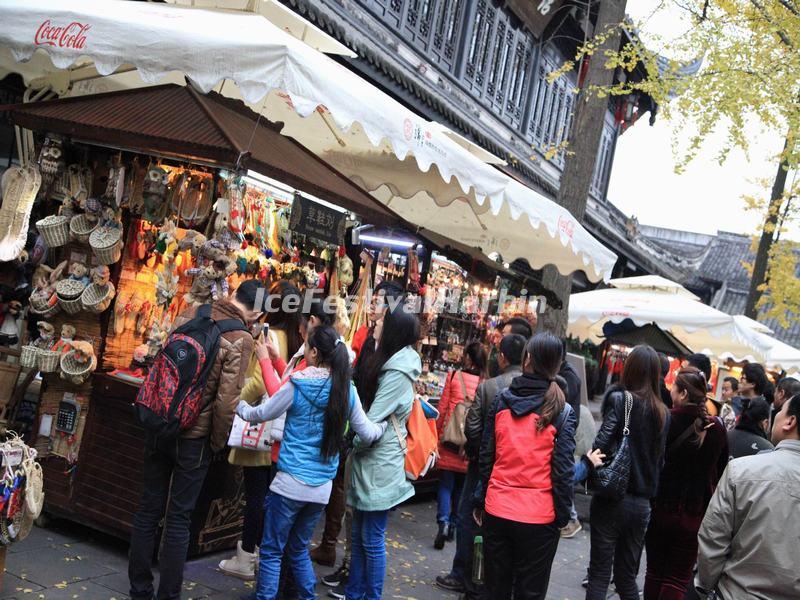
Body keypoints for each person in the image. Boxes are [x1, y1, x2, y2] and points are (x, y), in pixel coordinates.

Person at [128, 280, 260, 600]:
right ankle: (168, 595)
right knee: (178, 520)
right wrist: (216, 444)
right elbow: (227, 403)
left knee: (148, 509)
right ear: (256, 312)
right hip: (194, 439)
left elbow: (165, 364)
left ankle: (140, 590)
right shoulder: (241, 338)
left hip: (161, 424)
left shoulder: (191, 312)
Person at [236, 325, 386, 600]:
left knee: (271, 550)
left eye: (306, 347)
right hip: (321, 490)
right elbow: (367, 432)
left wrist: (239, 405)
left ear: (315, 352)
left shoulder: (298, 383)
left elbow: (261, 413)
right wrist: (385, 427)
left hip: (289, 483)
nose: (304, 351)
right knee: (297, 548)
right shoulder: (345, 390)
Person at [474, 332, 576, 599]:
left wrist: (479, 499)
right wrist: (563, 515)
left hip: (498, 510)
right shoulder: (562, 411)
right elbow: (562, 471)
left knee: (495, 589)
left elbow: (487, 456)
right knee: (530, 592)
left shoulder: (501, 401)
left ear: (527, 358)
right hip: (539, 518)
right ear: (557, 364)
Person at [219, 281, 304, 580]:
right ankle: (260, 557)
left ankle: (246, 557)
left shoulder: (272, 336)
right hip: (282, 433)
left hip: (262, 426)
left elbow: (257, 382)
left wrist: (233, 401)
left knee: (255, 495)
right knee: (266, 495)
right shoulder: (296, 340)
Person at [436, 333, 526, 596]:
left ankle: (464, 574)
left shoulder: (490, 387)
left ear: (502, 357)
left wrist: (476, 452)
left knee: (468, 519)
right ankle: (488, 580)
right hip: (514, 471)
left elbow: (472, 429)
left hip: (481, 466)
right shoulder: (539, 389)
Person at [345, 302, 421, 600]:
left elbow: (373, 421)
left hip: (380, 462)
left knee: (371, 538)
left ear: (392, 331)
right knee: (361, 536)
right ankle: (355, 593)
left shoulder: (397, 372)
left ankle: (369, 596)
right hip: (373, 460)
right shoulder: (391, 362)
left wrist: (352, 442)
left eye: (381, 322)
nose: (375, 323)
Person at [694, 393, 800, 600]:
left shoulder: (741, 471)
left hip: (735, 592)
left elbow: (713, 540)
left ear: (790, 421)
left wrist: (707, 587)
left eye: (780, 411)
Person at [586, 345, 669, 600]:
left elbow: (601, 442)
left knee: (600, 573)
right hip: (642, 505)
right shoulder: (664, 412)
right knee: (626, 577)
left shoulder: (623, 400)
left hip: (612, 497)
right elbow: (660, 460)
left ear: (630, 368)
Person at [643, 367, 728, 600]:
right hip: (695, 513)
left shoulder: (666, 418)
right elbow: (721, 472)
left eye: (674, 387)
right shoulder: (718, 428)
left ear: (682, 394)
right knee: (677, 579)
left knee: (654, 572)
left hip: (661, 507)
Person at [433, 341, 487, 549]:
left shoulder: (454, 376)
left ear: (468, 358)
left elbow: (444, 407)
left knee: (445, 484)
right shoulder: (486, 382)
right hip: (470, 443)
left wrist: (437, 436)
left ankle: (443, 523)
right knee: (461, 488)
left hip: (450, 438)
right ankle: (454, 525)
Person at [559, 345, 583, 538]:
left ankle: (572, 519)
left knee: (562, 473)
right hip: (566, 430)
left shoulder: (569, 377)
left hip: (564, 431)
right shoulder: (568, 374)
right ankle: (570, 518)